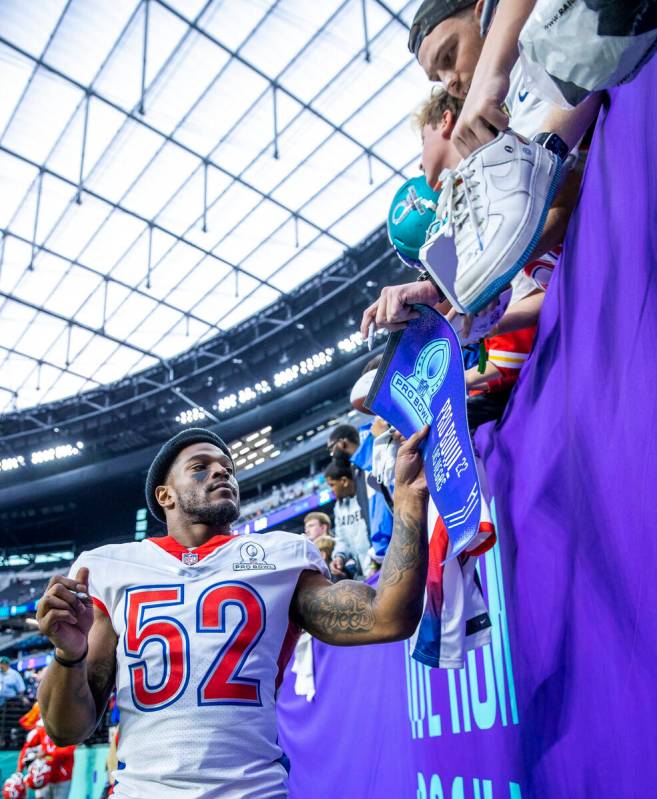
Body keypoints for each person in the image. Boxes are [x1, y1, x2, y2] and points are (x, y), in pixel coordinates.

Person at [36, 426, 429, 798]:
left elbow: (387, 616)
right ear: (165, 496)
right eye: (200, 468)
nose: (221, 473)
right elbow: (66, 729)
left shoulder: (280, 557)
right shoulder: (110, 568)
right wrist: (69, 654)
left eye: (227, 469)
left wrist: (409, 497)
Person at [407, 0, 597, 314]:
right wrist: (444, 285)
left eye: (449, 55)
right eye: (438, 78)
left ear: (484, 11)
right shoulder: (510, 108)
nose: (449, 80)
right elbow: (558, 206)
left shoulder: (540, 37)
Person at [324, 454, 372, 579]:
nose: (331, 490)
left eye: (332, 485)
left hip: (382, 562)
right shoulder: (338, 507)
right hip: (365, 571)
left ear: (344, 481)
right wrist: (339, 556)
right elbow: (342, 540)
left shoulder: (367, 495)